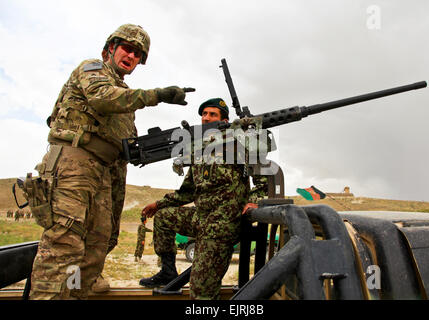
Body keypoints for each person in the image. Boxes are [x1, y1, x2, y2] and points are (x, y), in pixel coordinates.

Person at [29, 24, 195, 300]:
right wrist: (158, 95)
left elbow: (122, 147)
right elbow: (102, 98)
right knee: (64, 245)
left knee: (95, 248)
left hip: (104, 173)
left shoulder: (124, 96)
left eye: (138, 54)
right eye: (127, 49)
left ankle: (75, 294)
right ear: (110, 49)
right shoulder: (92, 70)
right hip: (74, 164)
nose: (131, 56)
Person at [139, 98, 267, 299]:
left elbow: (265, 182)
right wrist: (158, 204)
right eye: (204, 114)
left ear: (224, 120)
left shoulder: (239, 145)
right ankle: (168, 271)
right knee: (164, 217)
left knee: (200, 291)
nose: (206, 118)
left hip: (221, 225)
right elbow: (187, 192)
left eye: (212, 114)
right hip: (201, 217)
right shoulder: (200, 151)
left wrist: (255, 201)